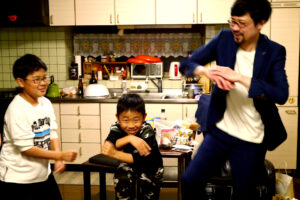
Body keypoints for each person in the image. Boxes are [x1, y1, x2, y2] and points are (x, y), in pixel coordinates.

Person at [180, 0, 289, 199]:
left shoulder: (274, 51)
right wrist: (205, 71)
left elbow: (281, 93)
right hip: (220, 131)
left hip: (252, 138)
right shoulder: (224, 39)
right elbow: (187, 63)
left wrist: (239, 77)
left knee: (244, 193)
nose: (235, 29)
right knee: (189, 181)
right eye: (232, 22)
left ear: (260, 23)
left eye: (242, 23)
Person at [0, 54, 78, 200]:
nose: (43, 83)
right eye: (37, 79)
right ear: (21, 82)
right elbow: (26, 148)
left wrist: (58, 159)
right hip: (18, 179)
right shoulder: (16, 109)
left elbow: (52, 132)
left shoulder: (45, 103)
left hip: (42, 174)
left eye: (45, 78)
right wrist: (59, 155)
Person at [102, 93, 164, 200]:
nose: (131, 126)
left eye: (136, 120)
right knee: (122, 173)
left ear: (144, 117)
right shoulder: (116, 126)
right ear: (118, 117)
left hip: (150, 167)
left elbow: (141, 159)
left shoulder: (147, 130)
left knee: (148, 192)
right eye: (125, 120)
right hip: (127, 165)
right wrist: (129, 138)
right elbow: (110, 142)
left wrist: (114, 153)